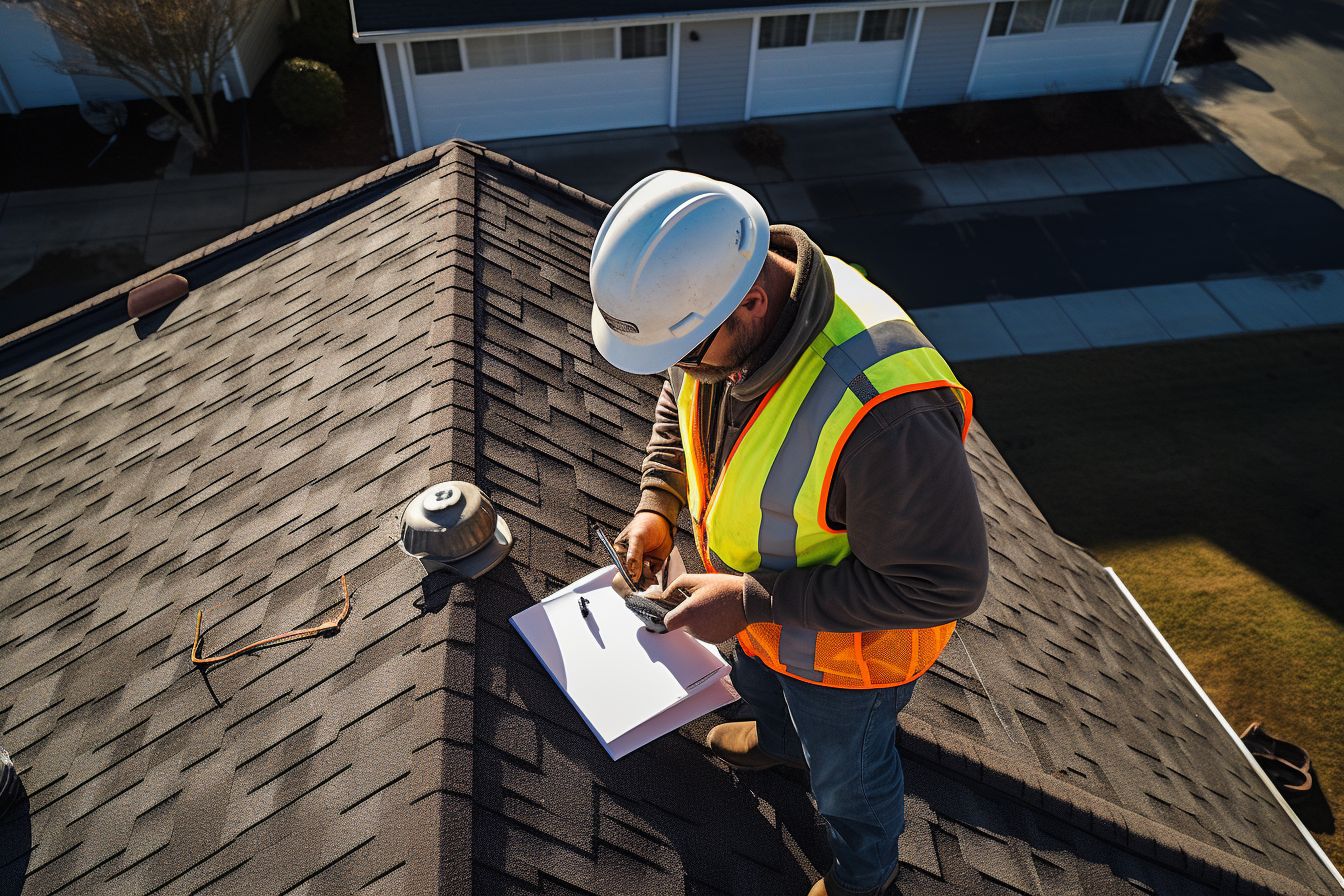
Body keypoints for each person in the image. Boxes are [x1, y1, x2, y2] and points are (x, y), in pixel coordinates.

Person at [588, 170, 989, 896]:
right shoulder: (726, 317)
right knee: (763, 684)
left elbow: (944, 584)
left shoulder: (886, 413)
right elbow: (683, 396)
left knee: (849, 779)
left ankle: (865, 876)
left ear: (751, 302)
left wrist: (750, 598)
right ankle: (778, 743)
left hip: (850, 657)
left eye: (684, 353)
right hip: (765, 614)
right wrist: (658, 500)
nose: (678, 372)